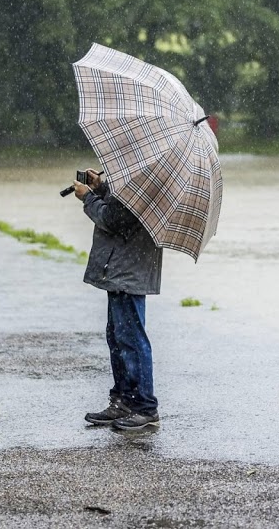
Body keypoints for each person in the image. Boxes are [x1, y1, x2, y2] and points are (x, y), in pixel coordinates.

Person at [73, 168, 163, 431]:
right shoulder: (136, 175)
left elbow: (114, 219)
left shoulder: (144, 180)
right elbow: (116, 208)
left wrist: (89, 198)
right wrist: (100, 188)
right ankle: (123, 399)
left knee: (132, 339)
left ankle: (145, 406)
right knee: (117, 335)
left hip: (130, 269)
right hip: (120, 266)